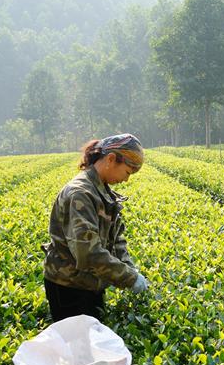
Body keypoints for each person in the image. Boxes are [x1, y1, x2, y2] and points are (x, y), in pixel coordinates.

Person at [42, 134, 149, 322]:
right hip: (69, 287)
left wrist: (129, 268)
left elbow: (116, 240)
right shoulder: (80, 194)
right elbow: (87, 253)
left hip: (91, 283)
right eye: (127, 172)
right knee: (77, 346)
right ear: (110, 159)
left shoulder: (102, 190)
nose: (126, 180)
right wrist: (128, 278)